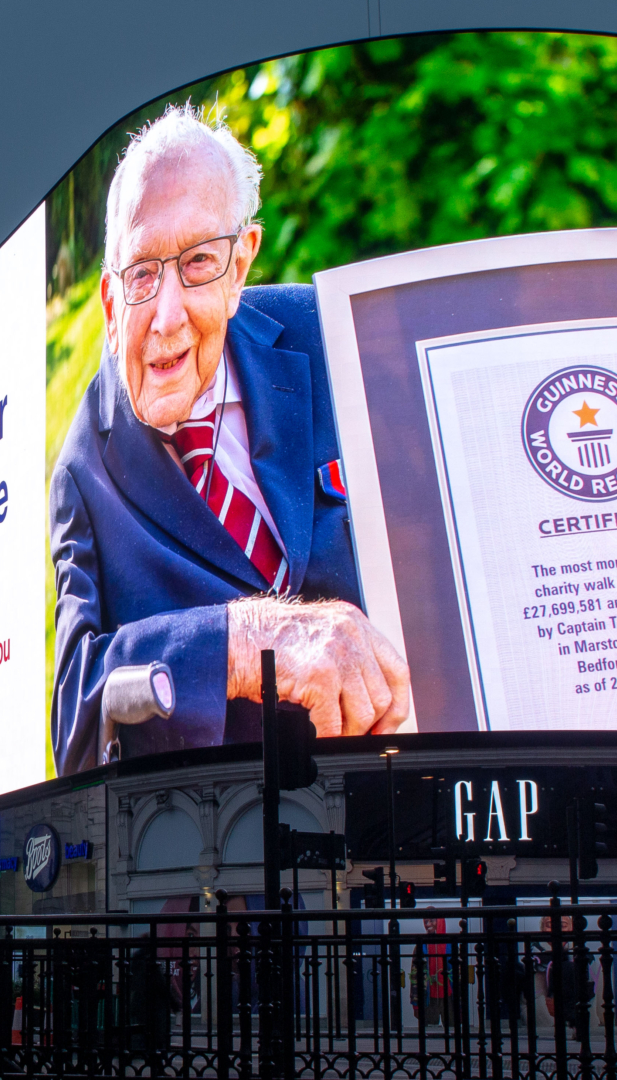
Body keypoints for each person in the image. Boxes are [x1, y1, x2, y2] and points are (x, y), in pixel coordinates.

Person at [50, 104, 411, 775]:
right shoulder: (84, 470)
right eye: (141, 275)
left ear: (241, 265)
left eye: (197, 264)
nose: (165, 317)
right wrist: (248, 640)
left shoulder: (328, 334)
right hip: (235, 848)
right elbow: (77, 717)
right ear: (107, 301)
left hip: (404, 785)